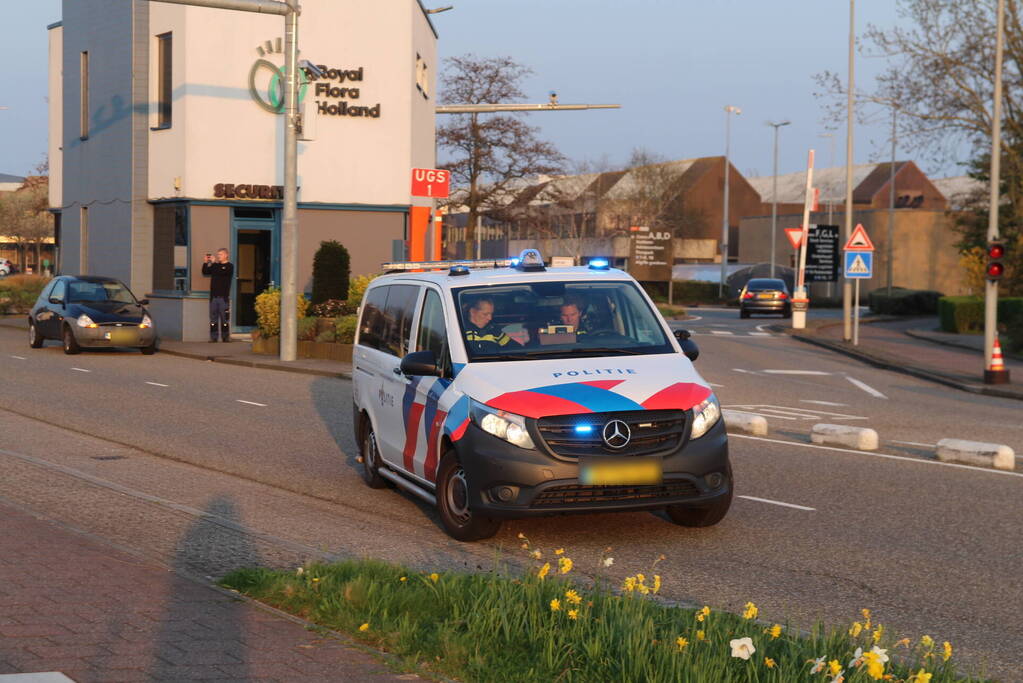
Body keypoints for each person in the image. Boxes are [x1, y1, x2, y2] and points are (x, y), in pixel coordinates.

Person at [201, 248, 234, 342]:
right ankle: (213, 337)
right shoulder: (216, 266)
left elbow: (221, 272)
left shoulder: (229, 266)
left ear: (226, 255)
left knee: (224, 319)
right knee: (213, 319)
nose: (218, 256)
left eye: (220, 254)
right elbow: (205, 271)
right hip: (213, 298)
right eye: (218, 254)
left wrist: (214, 263)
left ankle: (225, 337)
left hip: (223, 298)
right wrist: (205, 262)